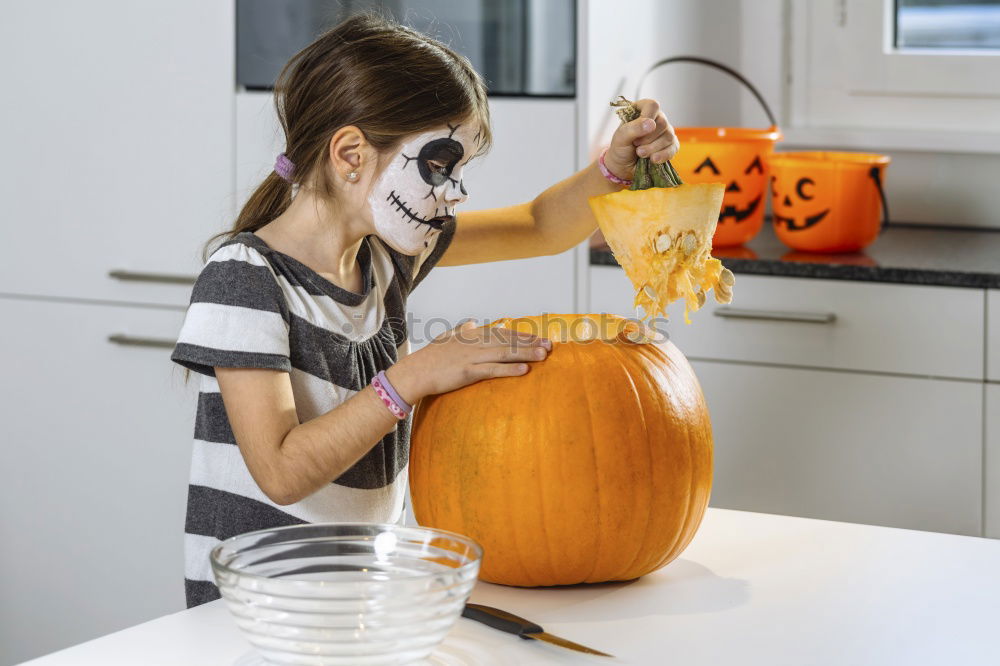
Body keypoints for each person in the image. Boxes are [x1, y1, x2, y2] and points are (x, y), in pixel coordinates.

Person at [170, 13, 678, 607]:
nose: (456, 191)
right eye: (441, 166)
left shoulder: (385, 259)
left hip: (358, 599)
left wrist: (614, 166)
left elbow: (540, 226)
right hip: (260, 613)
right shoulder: (244, 277)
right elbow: (282, 472)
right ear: (351, 154)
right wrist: (413, 377)